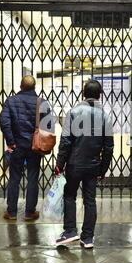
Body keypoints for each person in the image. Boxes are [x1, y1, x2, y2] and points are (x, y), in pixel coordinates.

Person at [54, 80, 114, 249]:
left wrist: (59, 165)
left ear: (83, 94)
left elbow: (65, 141)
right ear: (99, 95)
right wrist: (103, 169)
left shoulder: (74, 112)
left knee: (69, 196)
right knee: (90, 200)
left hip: (73, 164)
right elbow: (109, 146)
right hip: (93, 166)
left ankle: (70, 231)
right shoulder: (105, 116)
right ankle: (87, 238)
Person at [0, 75, 54, 221]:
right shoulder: (42, 103)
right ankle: (30, 212)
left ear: (20, 86)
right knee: (32, 178)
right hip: (35, 147)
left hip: (17, 146)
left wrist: (11, 142)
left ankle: (11, 212)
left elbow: (4, 123)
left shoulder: (10, 101)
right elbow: (48, 126)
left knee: (14, 179)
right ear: (34, 87)